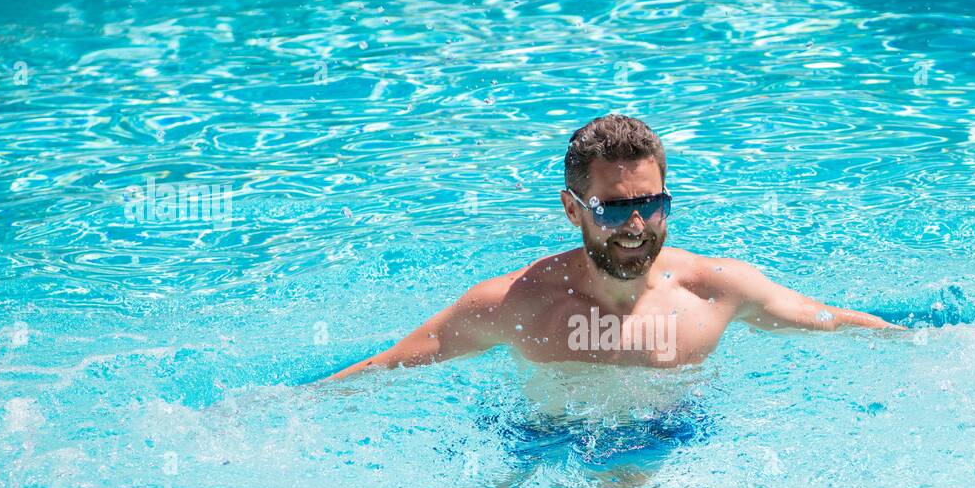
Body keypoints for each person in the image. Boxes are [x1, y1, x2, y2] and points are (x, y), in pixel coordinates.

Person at [325, 114, 900, 382]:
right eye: (615, 208)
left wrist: (939, 344)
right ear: (573, 209)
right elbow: (388, 366)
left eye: (651, 204)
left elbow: (824, 319)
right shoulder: (516, 304)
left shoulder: (715, 289)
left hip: (676, 446)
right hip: (549, 449)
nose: (637, 225)